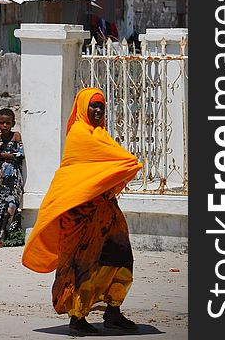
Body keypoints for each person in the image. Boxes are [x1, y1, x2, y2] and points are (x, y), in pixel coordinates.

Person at [22, 87, 142, 335]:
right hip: (79, 213)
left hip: (105, 211)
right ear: (83, 107)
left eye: (102, 107)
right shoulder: (79, 134)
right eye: (93, 106)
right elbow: (120, 161)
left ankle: (113, 311)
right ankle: (76, 317)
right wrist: (128, 164)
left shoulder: (101, 135)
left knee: (118, 256)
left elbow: (115, 164)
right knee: (81, 264)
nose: (98, 111)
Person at [0, 108, 25, 248]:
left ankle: (4, 236)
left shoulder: (17, 136)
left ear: (13, 123)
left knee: (11, 206)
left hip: (14, 179)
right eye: (2, 123)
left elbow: (19, 156)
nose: (4, 126)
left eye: (8, 123)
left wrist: (4, 155)